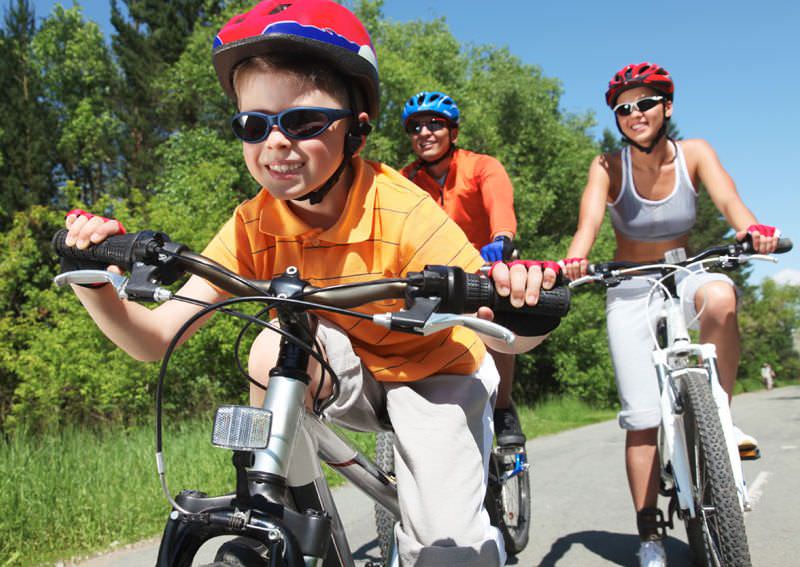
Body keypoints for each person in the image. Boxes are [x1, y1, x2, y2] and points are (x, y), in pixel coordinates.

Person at [60, 1, 561, 565]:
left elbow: (503, 334)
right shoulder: (254, 223)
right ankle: (280, 510)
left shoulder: (401, 209)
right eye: (255, 125)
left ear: (358, 132)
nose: (275, 141)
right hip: (345, 370)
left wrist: (522, 298)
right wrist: (96, 283)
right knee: (272, 341)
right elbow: (155, 338)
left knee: (447, 549)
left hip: (434, 372)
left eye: (302, 123)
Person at [562, 62, 780, 567]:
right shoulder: (607, 166)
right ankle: (650, 534)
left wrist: (753, 231)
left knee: (722, 298)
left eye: (644, 103)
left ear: (667, 107)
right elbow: (588, 223)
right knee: (641, 418)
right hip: (630, 285)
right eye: (623, 108)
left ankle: (720, 419)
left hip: (686, 273)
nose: (634, 114)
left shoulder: (695, 153)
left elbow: (731, 202)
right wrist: (574, 259)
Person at [399, 91, 525, 447]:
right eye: (415, 127)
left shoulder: (481, 166)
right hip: (433, 275)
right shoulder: (406, 179)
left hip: (484, 267)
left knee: (498, 317)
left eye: (435, 124)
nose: (424, 132)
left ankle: (502, 408)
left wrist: (501, 238)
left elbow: (499, 203)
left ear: (453, 132)